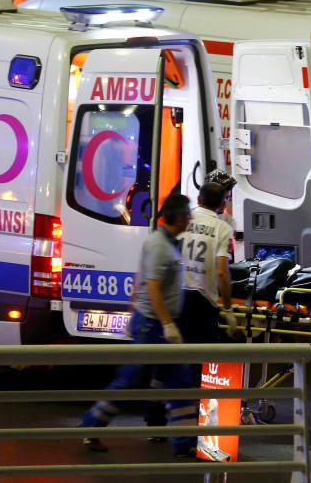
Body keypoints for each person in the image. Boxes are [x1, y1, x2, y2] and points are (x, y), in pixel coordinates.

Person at [80, 194, 196, 457]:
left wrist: (135, 310)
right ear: (177, 217)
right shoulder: (159, 246)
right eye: (187, 214)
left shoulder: (167, 243)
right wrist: (166, 323)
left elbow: (141, 278)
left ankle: (185, 442)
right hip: (153, 325)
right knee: (129, 379)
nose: (190, 218)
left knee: (179, 381)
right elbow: (152, 286)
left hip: (154, 322)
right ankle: (90, 426)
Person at [179, 183, 236, 344]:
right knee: (196, 356)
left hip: (177, 297)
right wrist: (227, 308)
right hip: (202, 302)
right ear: (223, 204)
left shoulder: (182, 219)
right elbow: (221, 272)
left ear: (198, 199)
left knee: (174, 357)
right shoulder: (222, 228)